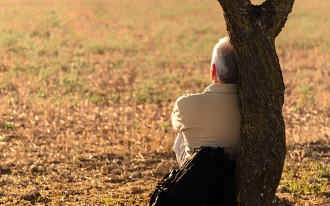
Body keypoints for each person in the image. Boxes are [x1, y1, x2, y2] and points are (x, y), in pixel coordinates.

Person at [172, 37, 240, 167]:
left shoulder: (184, 104)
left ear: (213, 70)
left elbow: (176, 127)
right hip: (234, 176)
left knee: (182, 134)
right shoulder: (253, 107)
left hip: (196, 176)